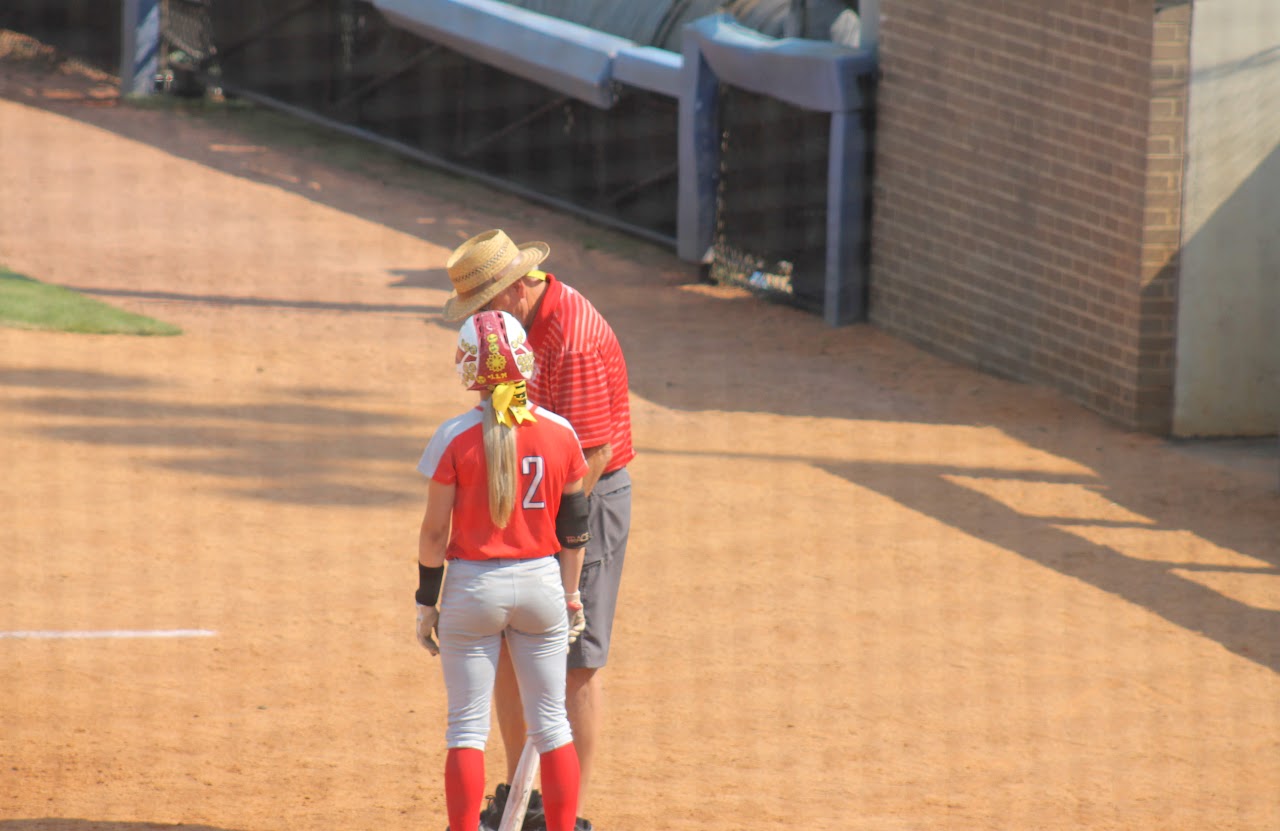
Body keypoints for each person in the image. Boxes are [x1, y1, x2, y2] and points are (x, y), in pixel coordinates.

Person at [442, 229, 634, 831]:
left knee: (572, 656)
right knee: (505, 641)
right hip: (530, 494)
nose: (478, 322)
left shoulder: (570, 339)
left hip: (582, 505)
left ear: (516, 288)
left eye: (482, 306)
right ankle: (522, 793)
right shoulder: (515, 331)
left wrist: (543, 534)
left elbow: (591, 456)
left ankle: (562, 811)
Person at [415, 309, 593, 831]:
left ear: (468, 369)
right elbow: (576, 529)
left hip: (473, 590)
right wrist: (571, 594)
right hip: (541, 584)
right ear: (525, 361)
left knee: (466, 729)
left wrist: (428, 602)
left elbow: (432, 535)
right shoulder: (561, 432)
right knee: (553, 725)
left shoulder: (452, 436)